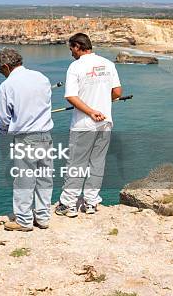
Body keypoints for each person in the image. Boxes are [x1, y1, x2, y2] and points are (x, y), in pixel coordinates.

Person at [56, 33, 122, 217]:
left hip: (83, 124)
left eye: (71, 49)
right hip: (106, 123)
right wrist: (103, 103)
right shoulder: (108, 64)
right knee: (97, 163)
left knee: (76, 164)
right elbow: (117, 91)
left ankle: (68, 205)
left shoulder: (75, 66)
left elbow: (71, 96)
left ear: (78, 46)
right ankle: (91, 203)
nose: (71, 54)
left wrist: (91, 111)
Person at [0, 47, 54, 231]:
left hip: (25, 138)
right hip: (46, 135)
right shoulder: (41, 78)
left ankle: (24, 220)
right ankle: (43, 218)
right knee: (45, 177)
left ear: (6, 66)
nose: (0, 73)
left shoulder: (7, 86)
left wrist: (3, 131)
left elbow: (4, 118)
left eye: (0, 69)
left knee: (24, 180)